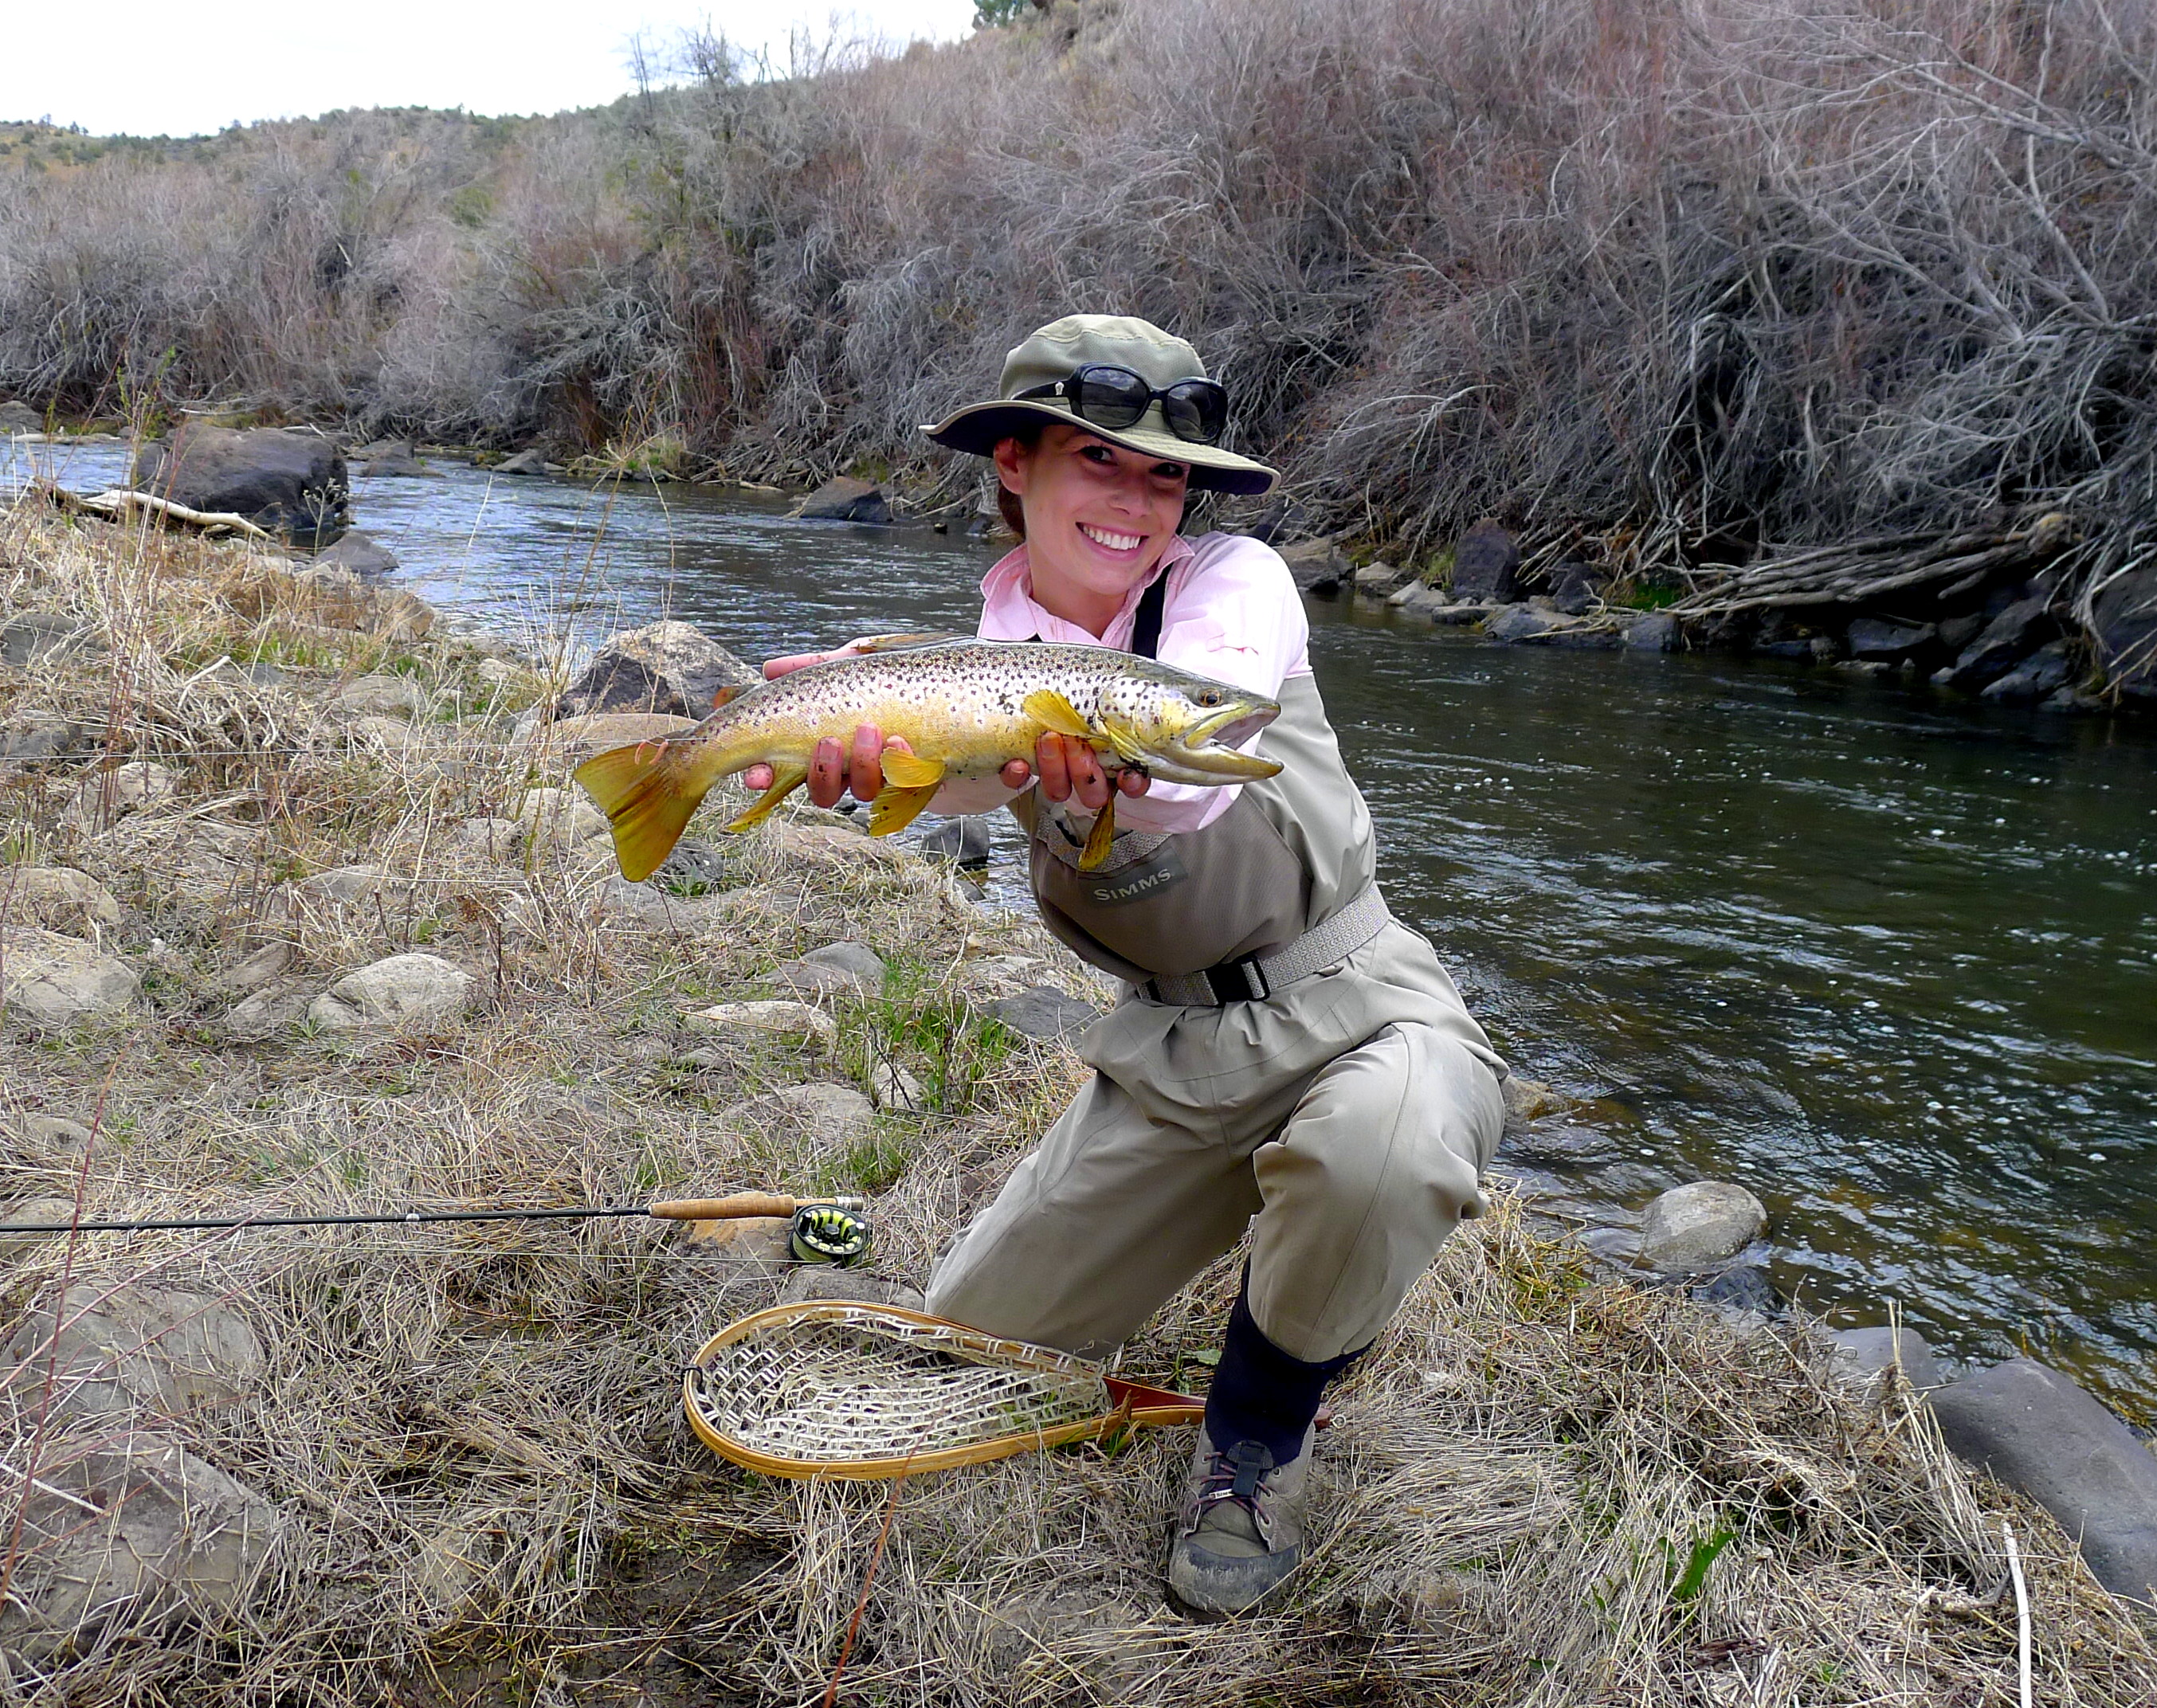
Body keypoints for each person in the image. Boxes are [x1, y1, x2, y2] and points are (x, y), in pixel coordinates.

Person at [743, 315, 1507, 1617]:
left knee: (1382, 1151)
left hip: (1366, 1008)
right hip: (1175, 1050)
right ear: (1015, 471)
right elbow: (943, 797)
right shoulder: (977, 650)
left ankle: (1257, 1440)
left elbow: (1184, 784)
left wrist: (1071, 740)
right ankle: (1251, 1254)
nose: (1139, 503)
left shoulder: (1235, 586)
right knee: (964, 1357)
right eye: (1101, 462)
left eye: (1165, 475)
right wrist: (845, 763)